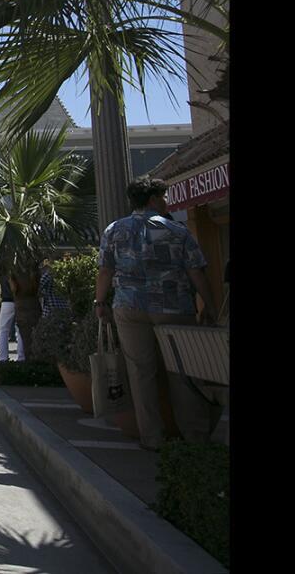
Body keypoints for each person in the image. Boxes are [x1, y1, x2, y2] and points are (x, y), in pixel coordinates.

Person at [96, 176, 218, 451]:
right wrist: (209, 306)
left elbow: (105, 270)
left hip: (129, 307)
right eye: (163, 197)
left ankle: (152, 438)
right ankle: (195, 437)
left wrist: (99, 301)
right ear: (153, 199)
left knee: (141, 374)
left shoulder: (114, 230)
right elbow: (196, 272)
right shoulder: (177, 230)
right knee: (183, 371)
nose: (166, 202)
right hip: (173, 307)